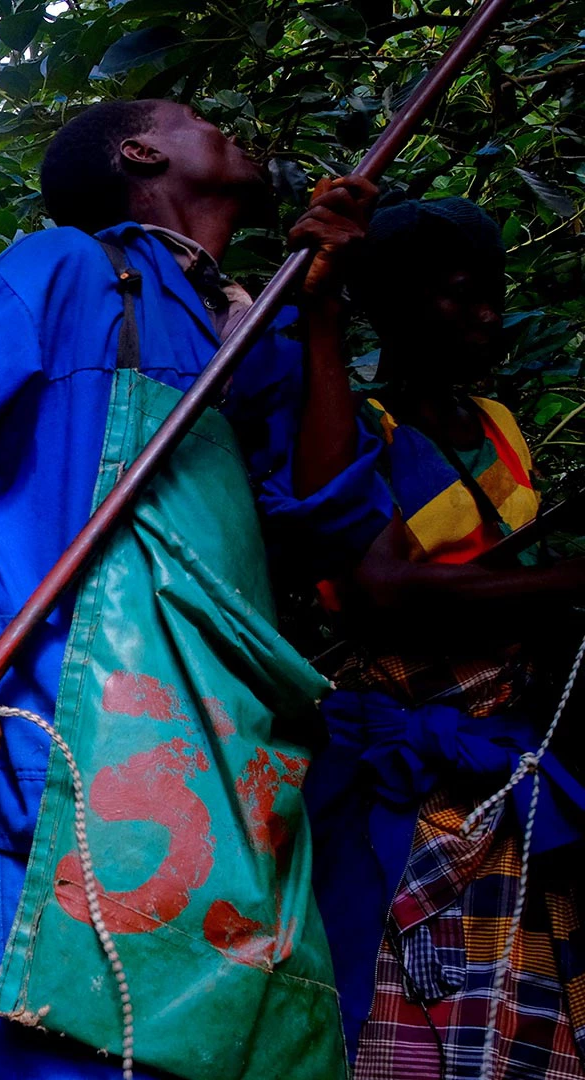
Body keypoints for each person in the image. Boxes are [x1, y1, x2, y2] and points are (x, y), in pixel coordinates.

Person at [0, 99, 387, 1079]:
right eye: (203, 118)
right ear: (141, 149)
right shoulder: (68, 272)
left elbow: (330, 514)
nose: (234, 129)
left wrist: (320, 303)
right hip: (78, 772)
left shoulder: (248, 333)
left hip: (237, 780)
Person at [304, 197, 585, 1077]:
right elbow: (376, 591)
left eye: (491, 296)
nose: (486, 317)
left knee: (522, 994)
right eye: (459, 297)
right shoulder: (356, 426)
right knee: (403, 991)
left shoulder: (499, 424)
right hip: (407, 755)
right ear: (391, 304)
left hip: (508, 746)